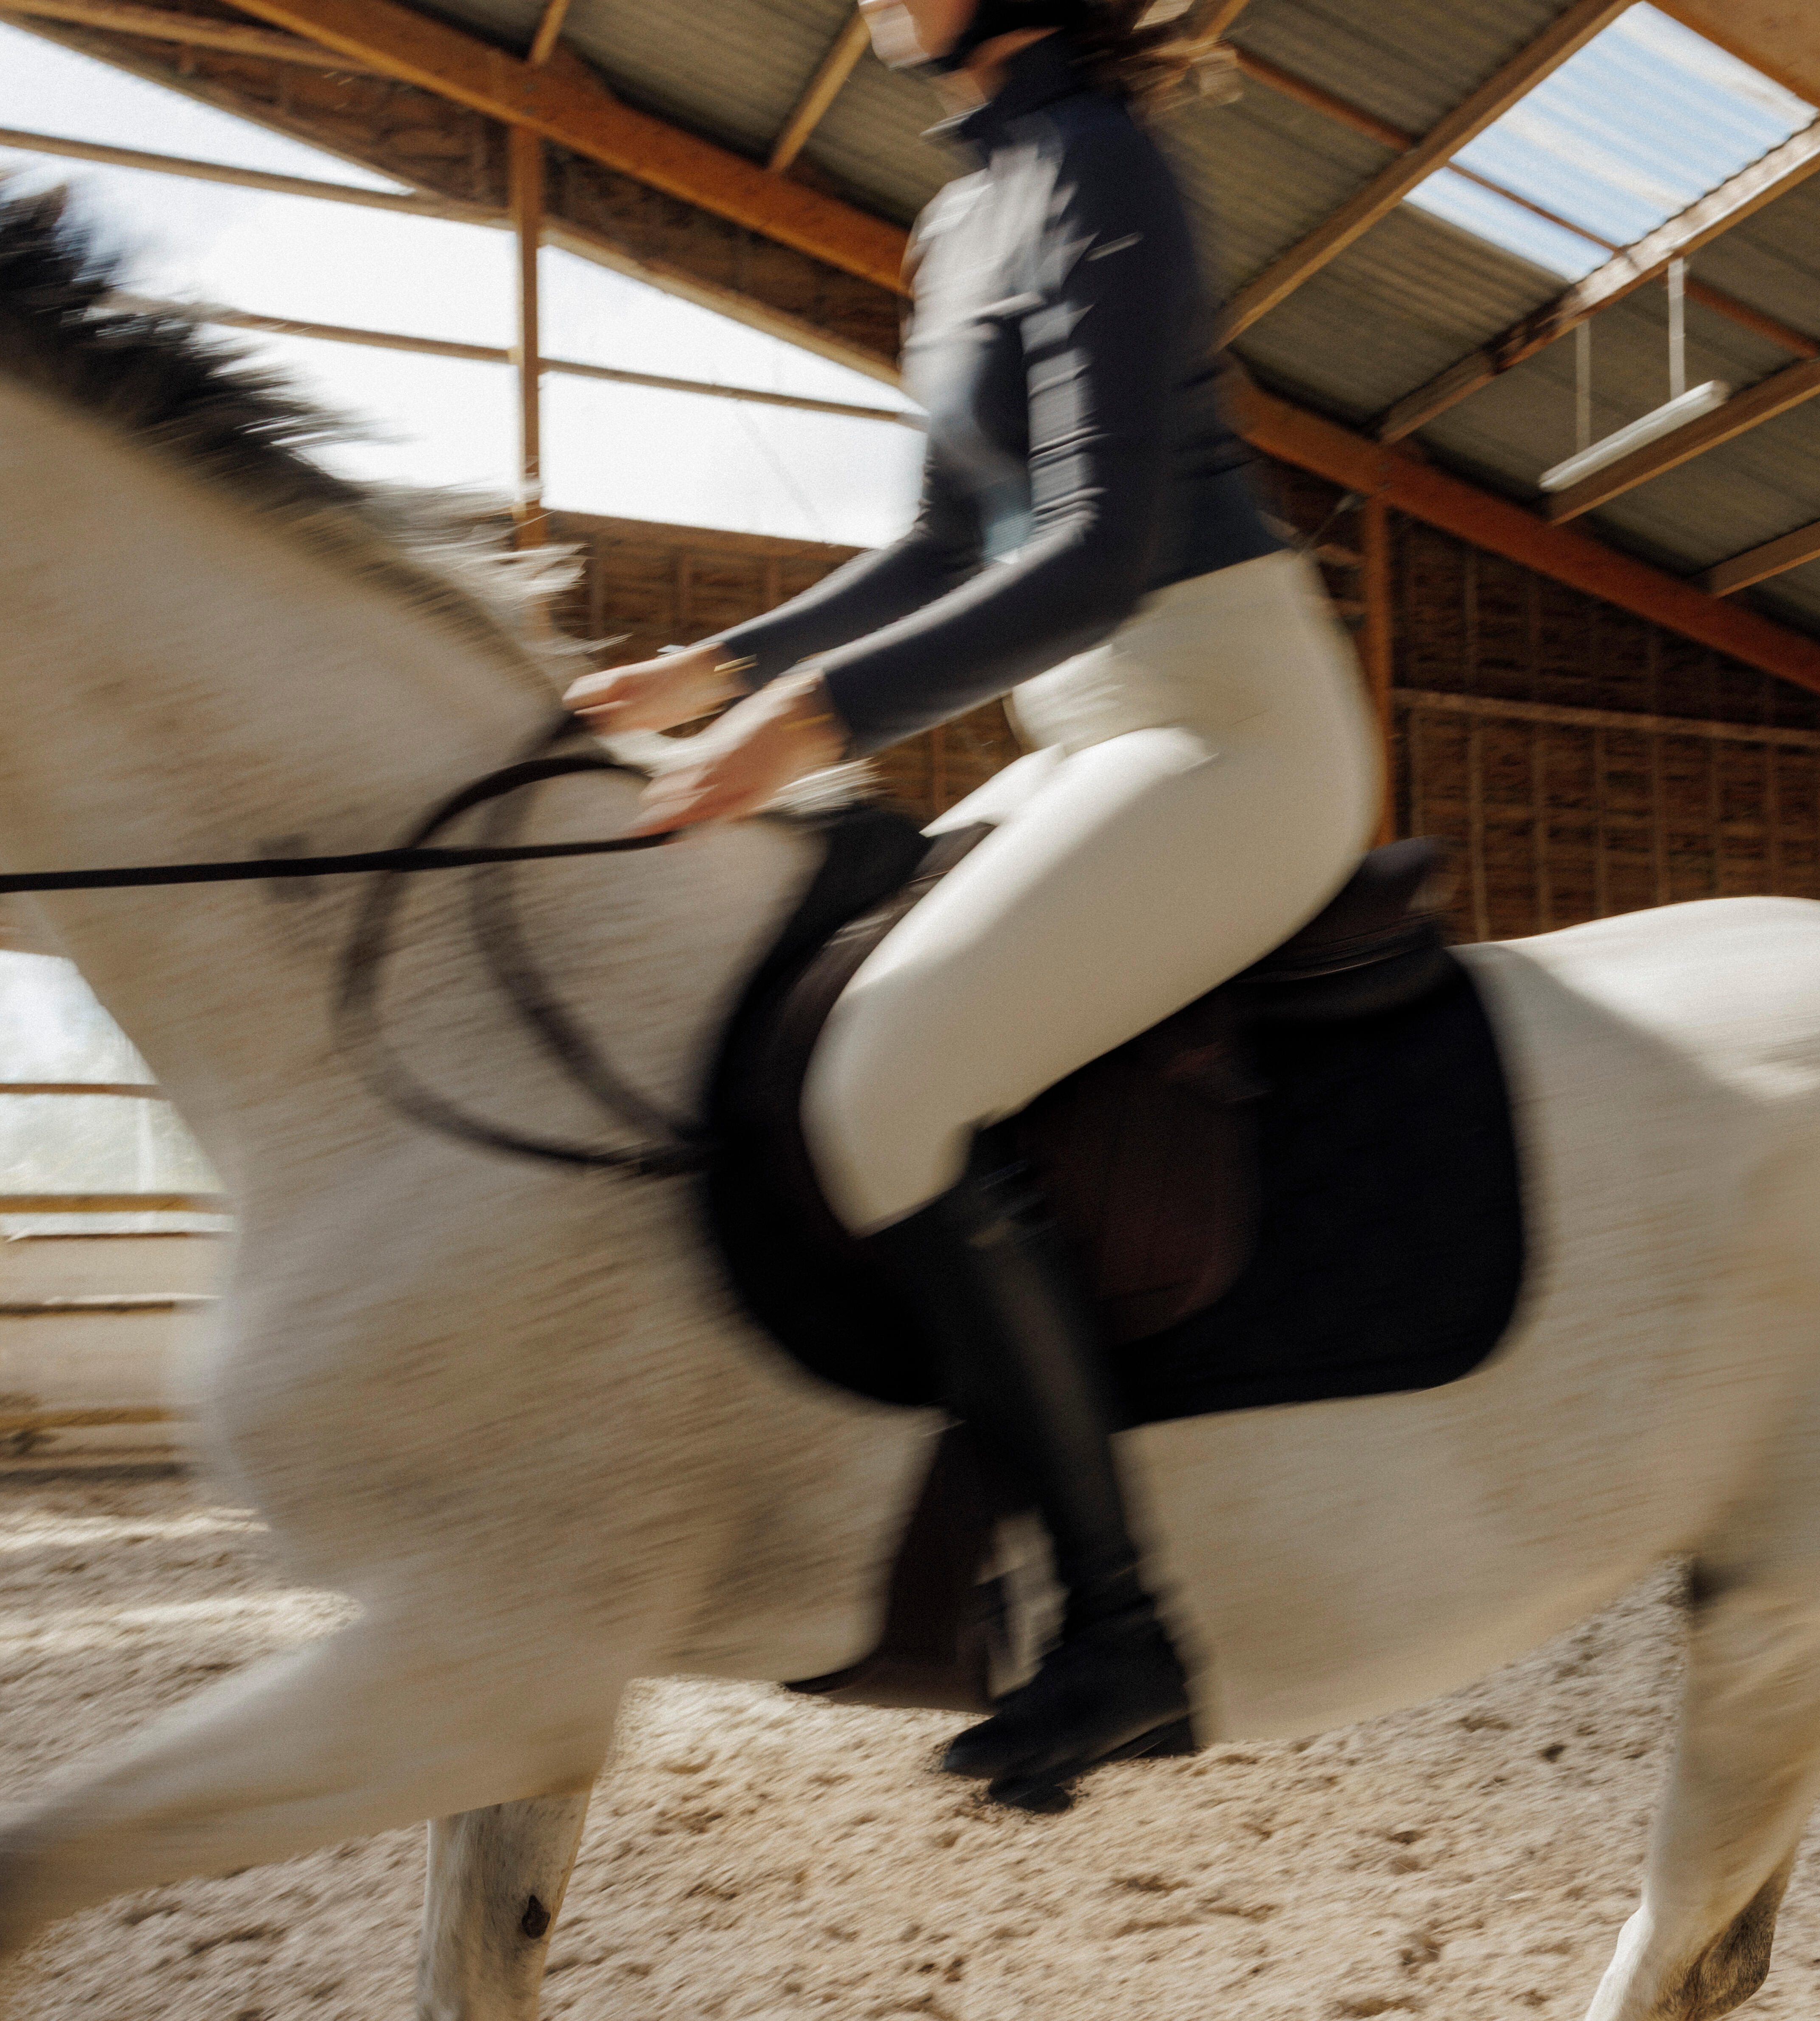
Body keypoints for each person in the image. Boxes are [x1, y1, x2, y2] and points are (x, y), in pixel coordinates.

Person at [569, 0, 1381, 1802]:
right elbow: (948, 544)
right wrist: (710, 669)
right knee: (806, 1006)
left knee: (886, 1086)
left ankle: (1123, 1628)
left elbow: (1094, 549)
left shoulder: (1103, 167)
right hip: (1087, 732)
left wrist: (810, 724)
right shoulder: (961, 214)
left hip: (1234, 729)